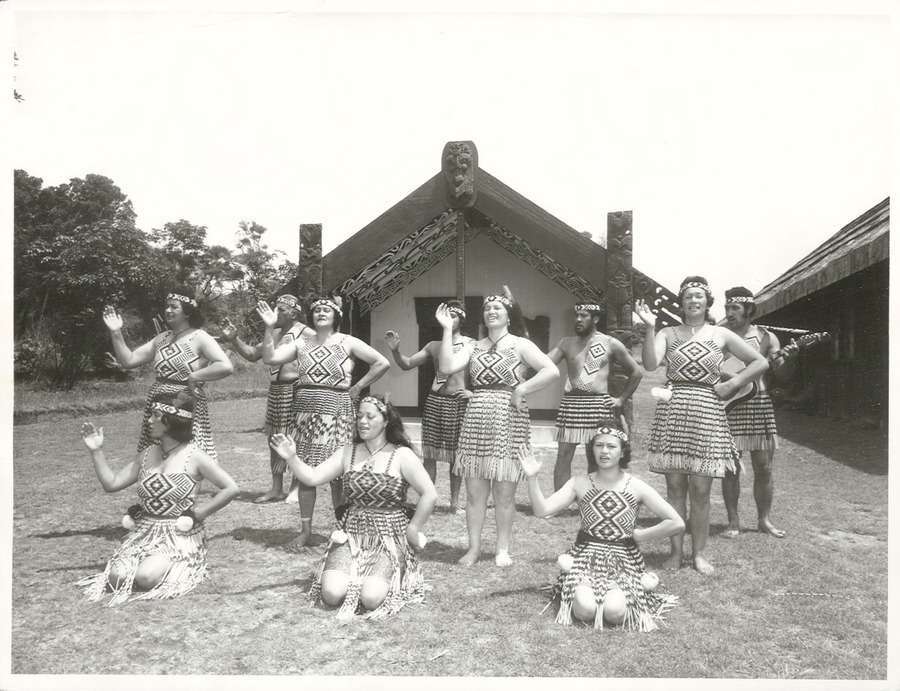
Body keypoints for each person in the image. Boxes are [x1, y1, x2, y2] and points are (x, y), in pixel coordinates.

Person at [634, 276, 768, 575]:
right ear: (681, 304)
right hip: (674, 409)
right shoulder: (668, 333)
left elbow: (760, 362)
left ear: (708, 303)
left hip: (707, 411)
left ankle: (698, 555)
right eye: (687, 297)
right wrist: (649, 327)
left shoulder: (721, 334)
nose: (693, 301)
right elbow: (651, 364)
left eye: (699, 296)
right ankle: (676, 552)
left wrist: (733, 383)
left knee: (701, 490)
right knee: (675, 488)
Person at [270, 395, 436, 620]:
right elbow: (312, 477)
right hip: (351, 535)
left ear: (386, 420)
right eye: (359, 416)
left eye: (370, 416)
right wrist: (292, 458)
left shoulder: (402, 455)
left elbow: (429, 494)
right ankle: (355, 574)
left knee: (371, 599)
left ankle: (394, 571)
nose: (363, 421)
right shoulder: (348, 451)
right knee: (331, 594)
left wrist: (413, 530)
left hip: (388, 538)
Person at [76, 393, 239, 605]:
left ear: (172, 420)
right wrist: (96, 451)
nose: (149, 420)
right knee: (116, 577)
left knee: (146, 577)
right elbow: (112, 483)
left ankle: (179, 565)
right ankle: (148, 561)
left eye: (156, 415)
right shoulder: (146, 454)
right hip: (144, 532)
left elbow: (231, 488)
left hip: (178, 536)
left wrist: (198, 515)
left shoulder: (195, 456)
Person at [521, 419, 683, 631]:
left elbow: (676, 522)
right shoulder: (580, 482)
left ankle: (618, 597)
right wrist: (532, 478)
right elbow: (542, 510)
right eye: (599, 445)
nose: (604, 451)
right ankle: (582, 593)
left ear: (623, 452)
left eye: (611, 446)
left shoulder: (635, 486)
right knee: (585, 610)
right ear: (592, 449)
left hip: (624, 561)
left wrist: (640, 536)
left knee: (615, 613)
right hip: (584, 558)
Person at [436, 289, 559, 567]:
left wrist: (522, 388)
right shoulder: (472, 345)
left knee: (505, 491)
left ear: (508, 316)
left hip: (509, 416)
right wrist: (446, 330)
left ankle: (502, 548)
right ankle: (474, 548)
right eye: (487, 308)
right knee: (475, 491)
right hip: (477, 416)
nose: (491, 312)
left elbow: (551, 371)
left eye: (498, 309)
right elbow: (446, 365)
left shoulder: (520, 345)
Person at [259, 296, 391, 551]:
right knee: (305, 472)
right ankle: (306, 530)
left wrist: (358, 387)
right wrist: (268, 327)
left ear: (336, 316)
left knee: (338, 474)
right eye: (317, 310)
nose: (321, 313)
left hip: (337, 411)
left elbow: (381, 362)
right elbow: (270, 358)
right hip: (305, 412)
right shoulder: (301, 343)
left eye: (326, 310)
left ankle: (342, 529)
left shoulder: (347, 341)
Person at [102, 290, 234, 462]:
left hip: (184, 399)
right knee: (157, 448)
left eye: (174, 307)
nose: (168, 310)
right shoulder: (161, 339)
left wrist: (194, 377)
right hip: (157, 400)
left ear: (187, 312)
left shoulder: (200, 337)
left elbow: (225, 365)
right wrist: (116, 332)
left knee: (186, 449)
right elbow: (128, 360)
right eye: (167, 306)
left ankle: (190, 486)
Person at [720, 286, 797, 539]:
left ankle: (764, 520)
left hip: (759, 405)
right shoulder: (720, 336)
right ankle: (733, 521)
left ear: (749, 310)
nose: (730, 313)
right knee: (730, 467)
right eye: (727, 308)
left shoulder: (766, 338)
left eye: (735, 309)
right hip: (729, 406)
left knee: (763, 468)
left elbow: (783, 375)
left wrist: (792, 358)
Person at [384, 299, 472, 513]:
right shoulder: (434, 346)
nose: (450, 319)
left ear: (462, 319)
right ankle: (429, 498)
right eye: (446, 315)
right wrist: (395, 351)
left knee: (455, 456)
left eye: (454, 315)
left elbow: (484, 374)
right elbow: (407, 364)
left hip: (458, 403)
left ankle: (454, 503)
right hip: (435, 402)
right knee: (430, 454)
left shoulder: (472, 344)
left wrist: (472, 392)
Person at [221, 294, 311, 503]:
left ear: (294, 313)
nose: (276, 313)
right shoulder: (274, 332)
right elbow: (253, 354)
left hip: (297, 389)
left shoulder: (307, 333)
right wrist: (234, 338)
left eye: (282, 310)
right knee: (274, 439)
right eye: (275, 309)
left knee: (296, 438)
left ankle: (297, 487)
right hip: (277, 391)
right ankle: (276, 488)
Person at [548, 303, 643, 490]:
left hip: (598, 406)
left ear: (596, 319)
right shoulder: (566, 343)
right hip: (571, 405)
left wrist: (620, 399)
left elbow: (636, 372)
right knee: (563, 455)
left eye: (584, 316)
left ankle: (593, 498)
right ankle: (558, 501)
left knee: (596, 456)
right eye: (576, 316)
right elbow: (544, 363)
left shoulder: (610, 343)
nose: (578, 320)